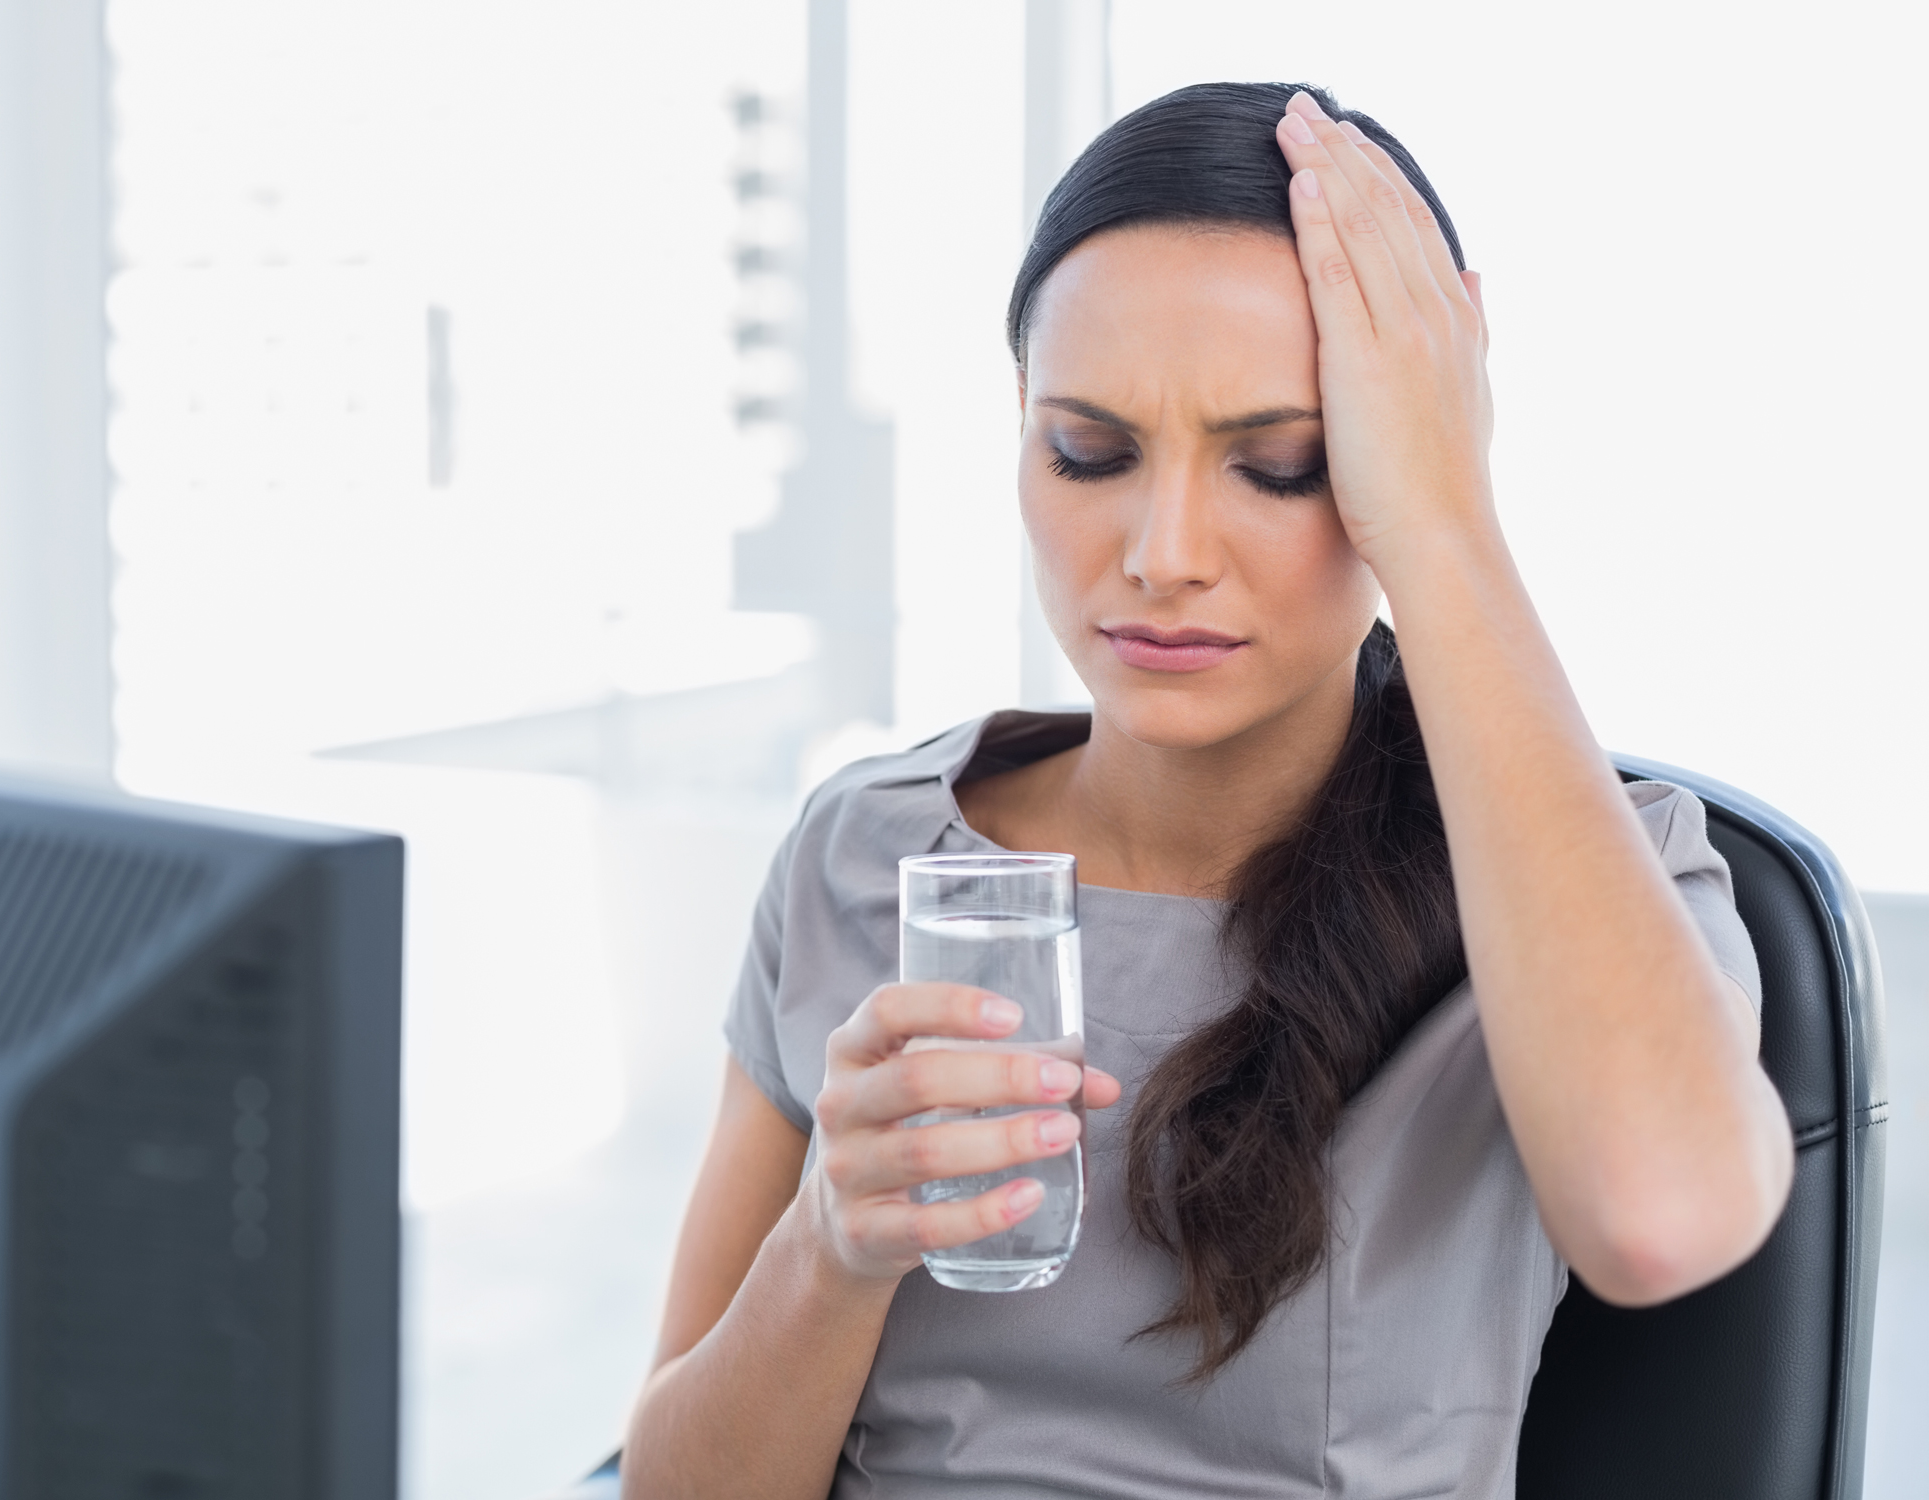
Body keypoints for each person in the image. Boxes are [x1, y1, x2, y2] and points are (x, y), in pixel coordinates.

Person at [621, 81, 1793, 1499]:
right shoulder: (867, 852)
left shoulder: (1592, 887)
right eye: (1090, 452)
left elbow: (1664, 1217)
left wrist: (1445, 522)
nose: (1162, 552)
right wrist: (831, 1244)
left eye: (1280, 466)